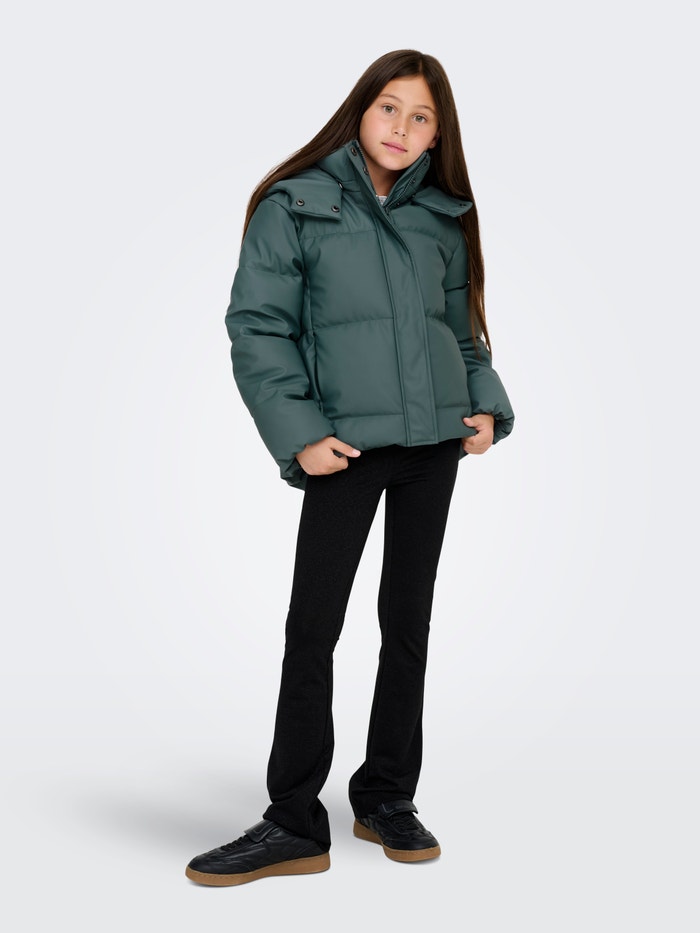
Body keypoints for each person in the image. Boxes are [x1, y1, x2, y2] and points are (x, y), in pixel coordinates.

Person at [186, 48, 515, 887]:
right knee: (314, 626)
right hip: (346, 449)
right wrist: (300, 433)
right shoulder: (295, 203)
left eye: (422, 117)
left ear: (438, 135)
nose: (402, 127)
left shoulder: (441, 215)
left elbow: (461, 327)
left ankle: (386, 795)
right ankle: (293, 818)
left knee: (408, 623)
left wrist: (484, 405)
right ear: (360, 110)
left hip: (435, 445)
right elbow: (258, 326)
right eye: (389, 108)